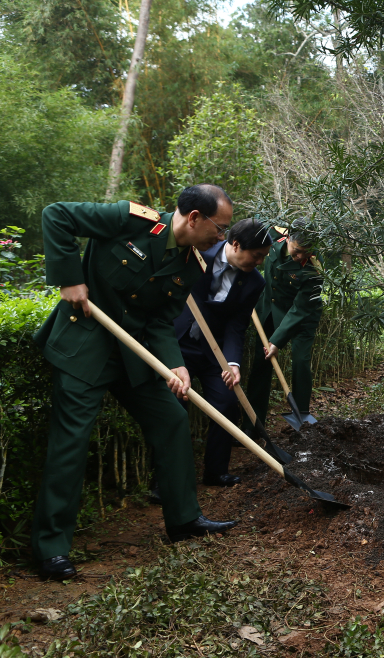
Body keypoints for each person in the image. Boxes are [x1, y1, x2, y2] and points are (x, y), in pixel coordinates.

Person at [32, 185, 239, 581]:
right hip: (84, 349)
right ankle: (52, 547)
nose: (223, 237)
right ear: (194, 218)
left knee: (172, 420)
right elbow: (56, 213)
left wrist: (175, 365)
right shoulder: (129, 220)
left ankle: (183, 519)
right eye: (220, 227)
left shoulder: (193, 266)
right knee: (71, 442)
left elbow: (161, 320)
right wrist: (69, 278)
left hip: (133, 356)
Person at [173, 218, 271, 487]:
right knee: (174, 407)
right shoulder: (195, 254)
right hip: (177, 344)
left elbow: (237, 326)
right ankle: (166, 481)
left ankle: (216, 472)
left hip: (214, 351)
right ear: (236, 244)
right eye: (257, 255)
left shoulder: (254, 283)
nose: (260, 262)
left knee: (227, 403)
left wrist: (233, 363)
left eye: (264, 257)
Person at [246, 221, 324, 429]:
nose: (300, 257)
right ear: (288, 239)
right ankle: (253, 424)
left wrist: (276, 341)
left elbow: (299, 308)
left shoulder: (314, 269)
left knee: (300, 361)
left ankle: (302, 417)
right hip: (270, 309)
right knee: (261, 363)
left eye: (306, 253)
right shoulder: (271, 236)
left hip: (302, 315)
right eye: (297, 251)